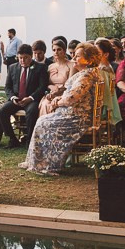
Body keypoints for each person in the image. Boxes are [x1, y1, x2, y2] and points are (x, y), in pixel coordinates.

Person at [20, 43, 102, 175]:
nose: (74, 57)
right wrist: (58, 99)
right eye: (74, 55)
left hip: (77, 118)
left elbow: (72, 98)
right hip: (71, 113)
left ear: (89, 60)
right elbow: (69, 95)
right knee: (42, 121)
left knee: (44, 123)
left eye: (78, 56)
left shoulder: (87, 76)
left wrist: (57, 103)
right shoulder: (85, 73)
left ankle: (47, 164)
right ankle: (35, 161)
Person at [0, 44, 48, 147]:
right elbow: (7, 87)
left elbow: (42, 87)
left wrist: (30, 98)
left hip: (31, 100)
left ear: (31, 56)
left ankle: (29, 141)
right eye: (20, 58)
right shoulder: (12, 67)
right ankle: (13, 139)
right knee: (2, 111)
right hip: (17, 99)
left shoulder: (40, 68)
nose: (22, 60)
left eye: (26, 58)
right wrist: (13, 98)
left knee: (32, 111)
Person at [38, 40, 75, 117]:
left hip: (64, 94)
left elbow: (70, 85)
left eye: (59, 49)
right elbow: (46, 83)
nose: (56, 52)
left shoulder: (71, 65)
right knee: (45, 104)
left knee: (54, 105)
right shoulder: (50, 66)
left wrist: (58, 91)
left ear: (64, 51)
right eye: (54, 50)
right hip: (51, 94)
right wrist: (51, 89)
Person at [94, 38, 123, 128]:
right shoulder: (104, 67)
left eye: (97, 53)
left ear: (106, 54)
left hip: (102, 107)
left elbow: (102, 94)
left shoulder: (103, 69)